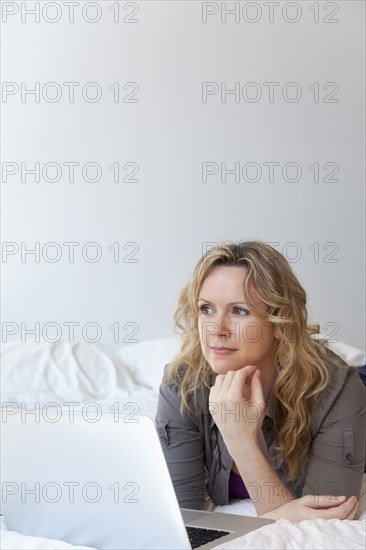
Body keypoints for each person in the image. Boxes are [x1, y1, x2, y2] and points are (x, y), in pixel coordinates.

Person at [155, 241, 365, 521]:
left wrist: (241, 439)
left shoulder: (337, 389)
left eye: (239, 311)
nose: (217, 330)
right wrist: (287, 512)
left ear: (279, 322)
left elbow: (327, 522)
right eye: (206, 309)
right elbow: (180, 516)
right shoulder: (181, 385)